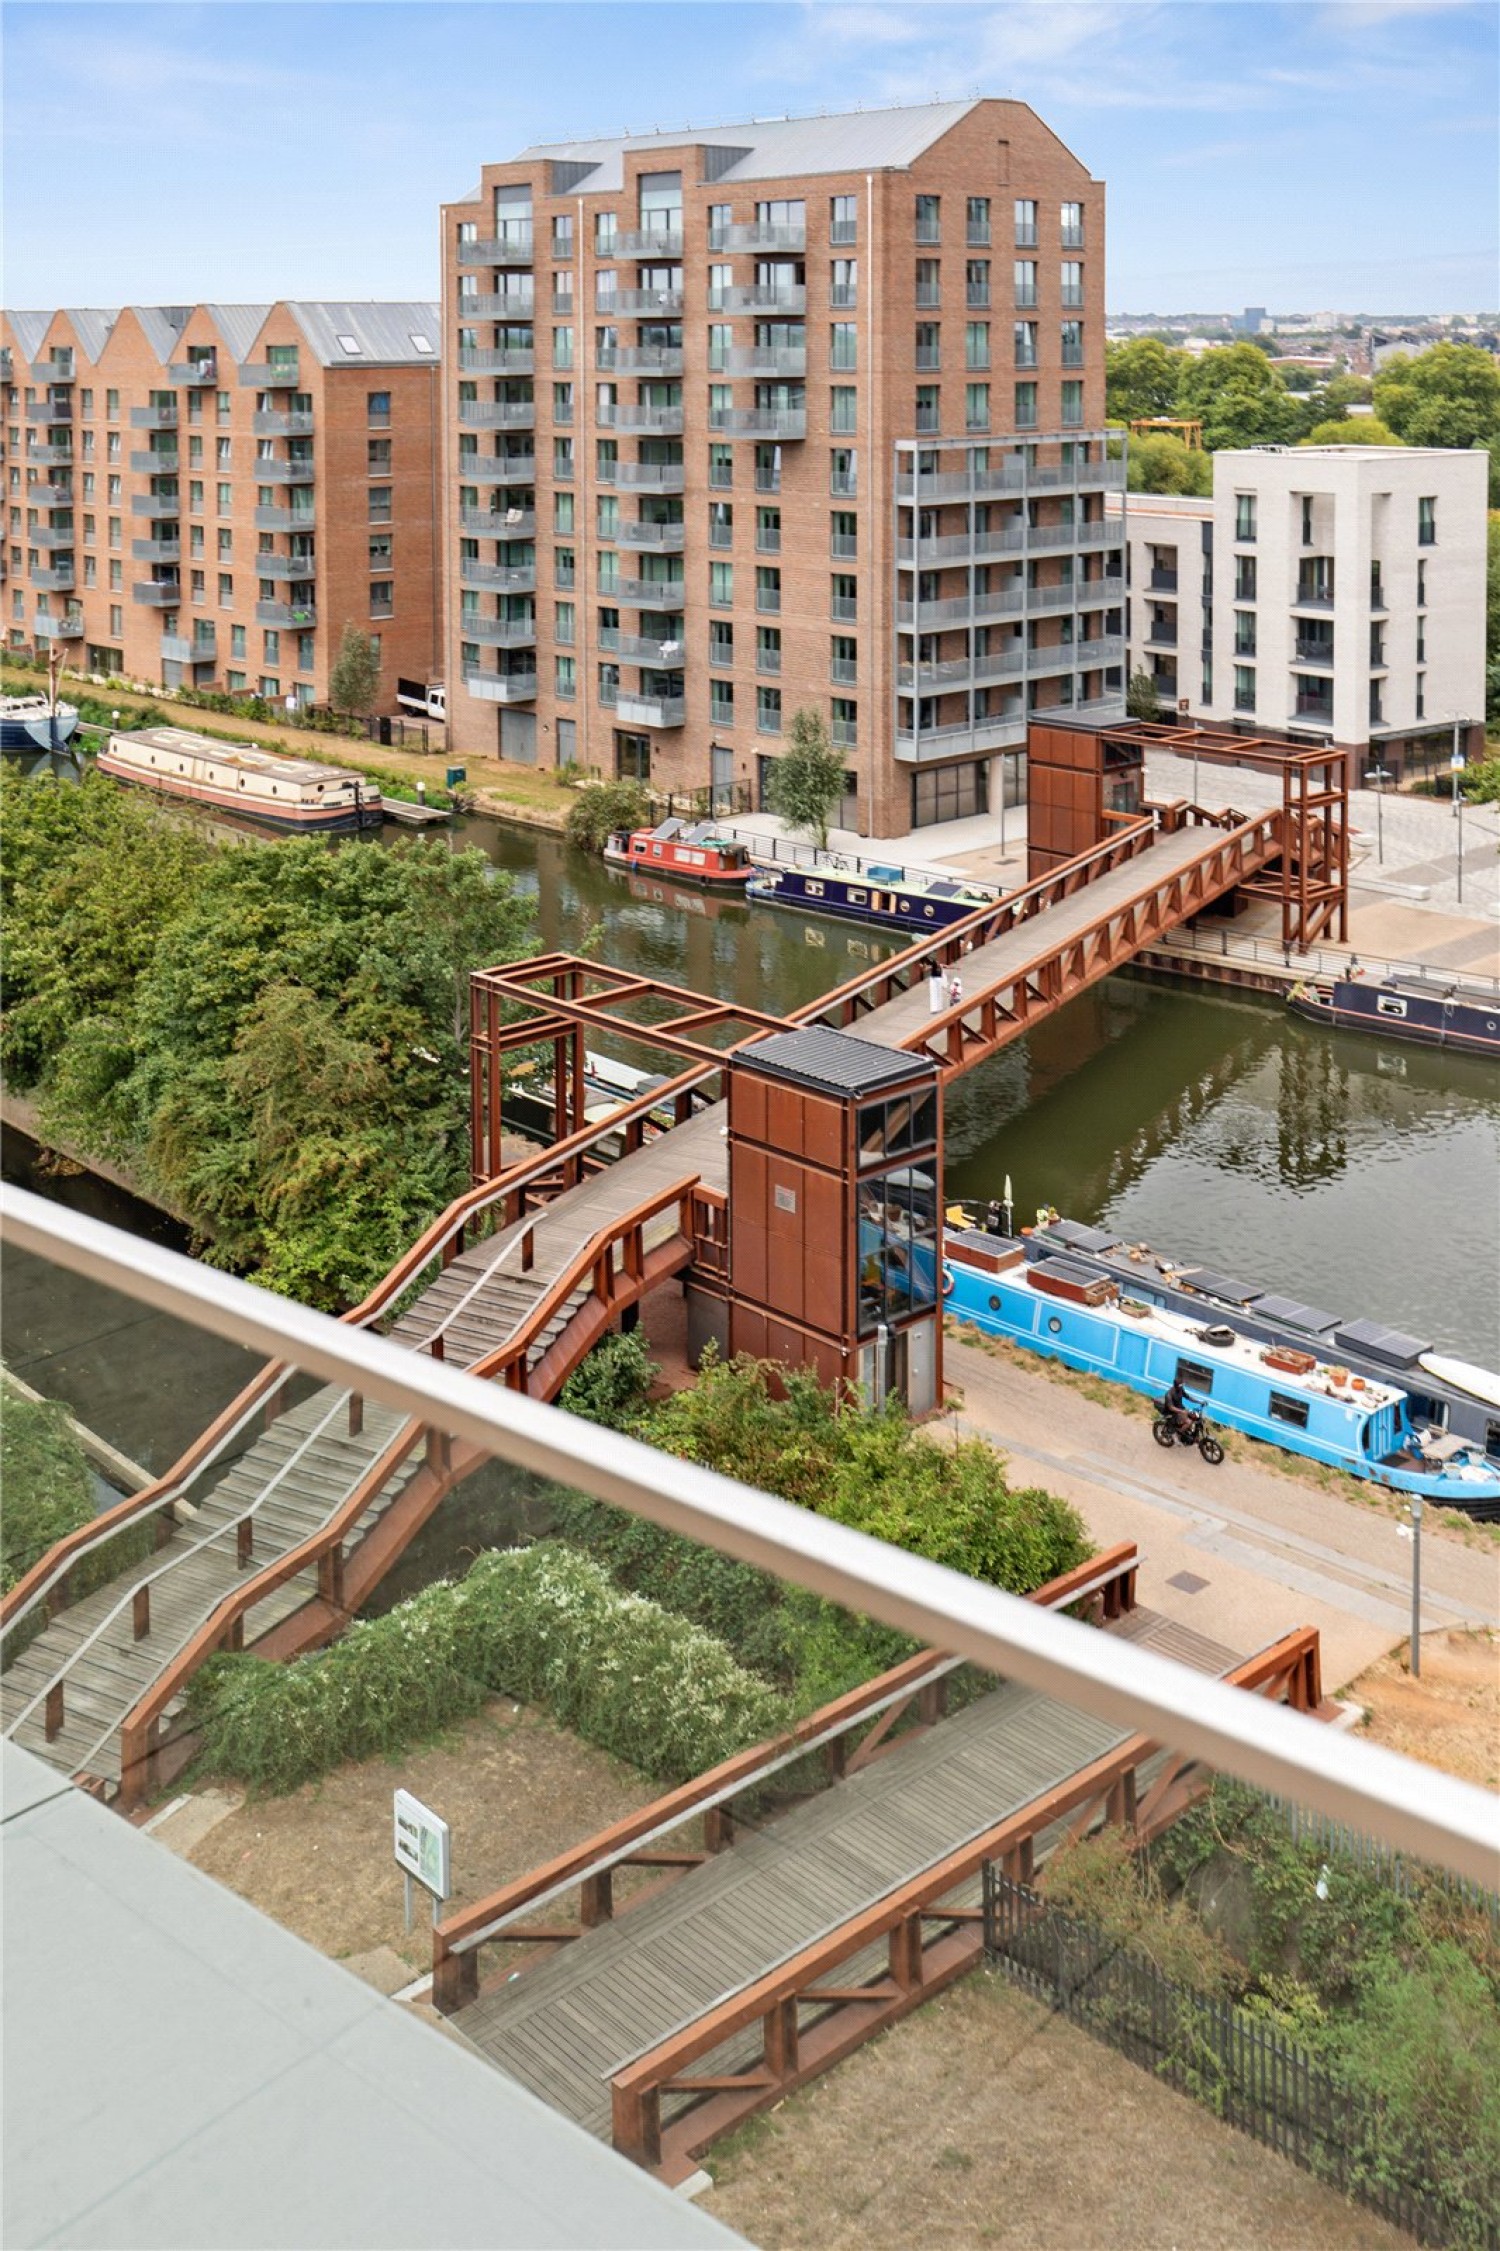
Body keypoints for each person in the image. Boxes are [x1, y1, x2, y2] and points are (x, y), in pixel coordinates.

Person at [1163, 1374, 1197, 1440]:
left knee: (1194, 1416)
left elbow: (1188, 1397)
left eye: (1182, 1385)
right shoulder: (1169, 1394)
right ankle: (1178, 1434)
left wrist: (1199, 1402)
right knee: (1188, 1422)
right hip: (1172, 1412)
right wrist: (1182, 1411)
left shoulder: (1180, 1389)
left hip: (1181, 1409)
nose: (1182, 1386)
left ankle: (1188, 1432)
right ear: (1176, 1386)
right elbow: (1171, 1407)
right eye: (1181, 1385)